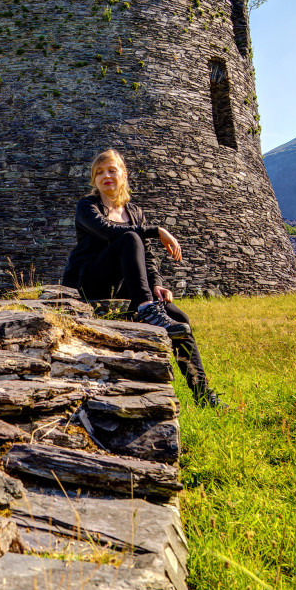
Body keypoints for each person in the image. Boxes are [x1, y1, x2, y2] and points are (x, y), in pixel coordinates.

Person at [62, 148, 225, 407]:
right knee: (129, 237)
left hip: (126, 284)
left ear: (123, 175)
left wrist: (157, 284)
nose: (106, 176)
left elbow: (146, 256)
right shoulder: (87, 207)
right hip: (90, 281)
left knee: (179, 318)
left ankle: (203, 394)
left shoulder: (135, 211)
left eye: (112, 170)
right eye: (99, 173)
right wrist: (156, 230)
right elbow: (107, 232)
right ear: (94, 181)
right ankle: (147, 308)